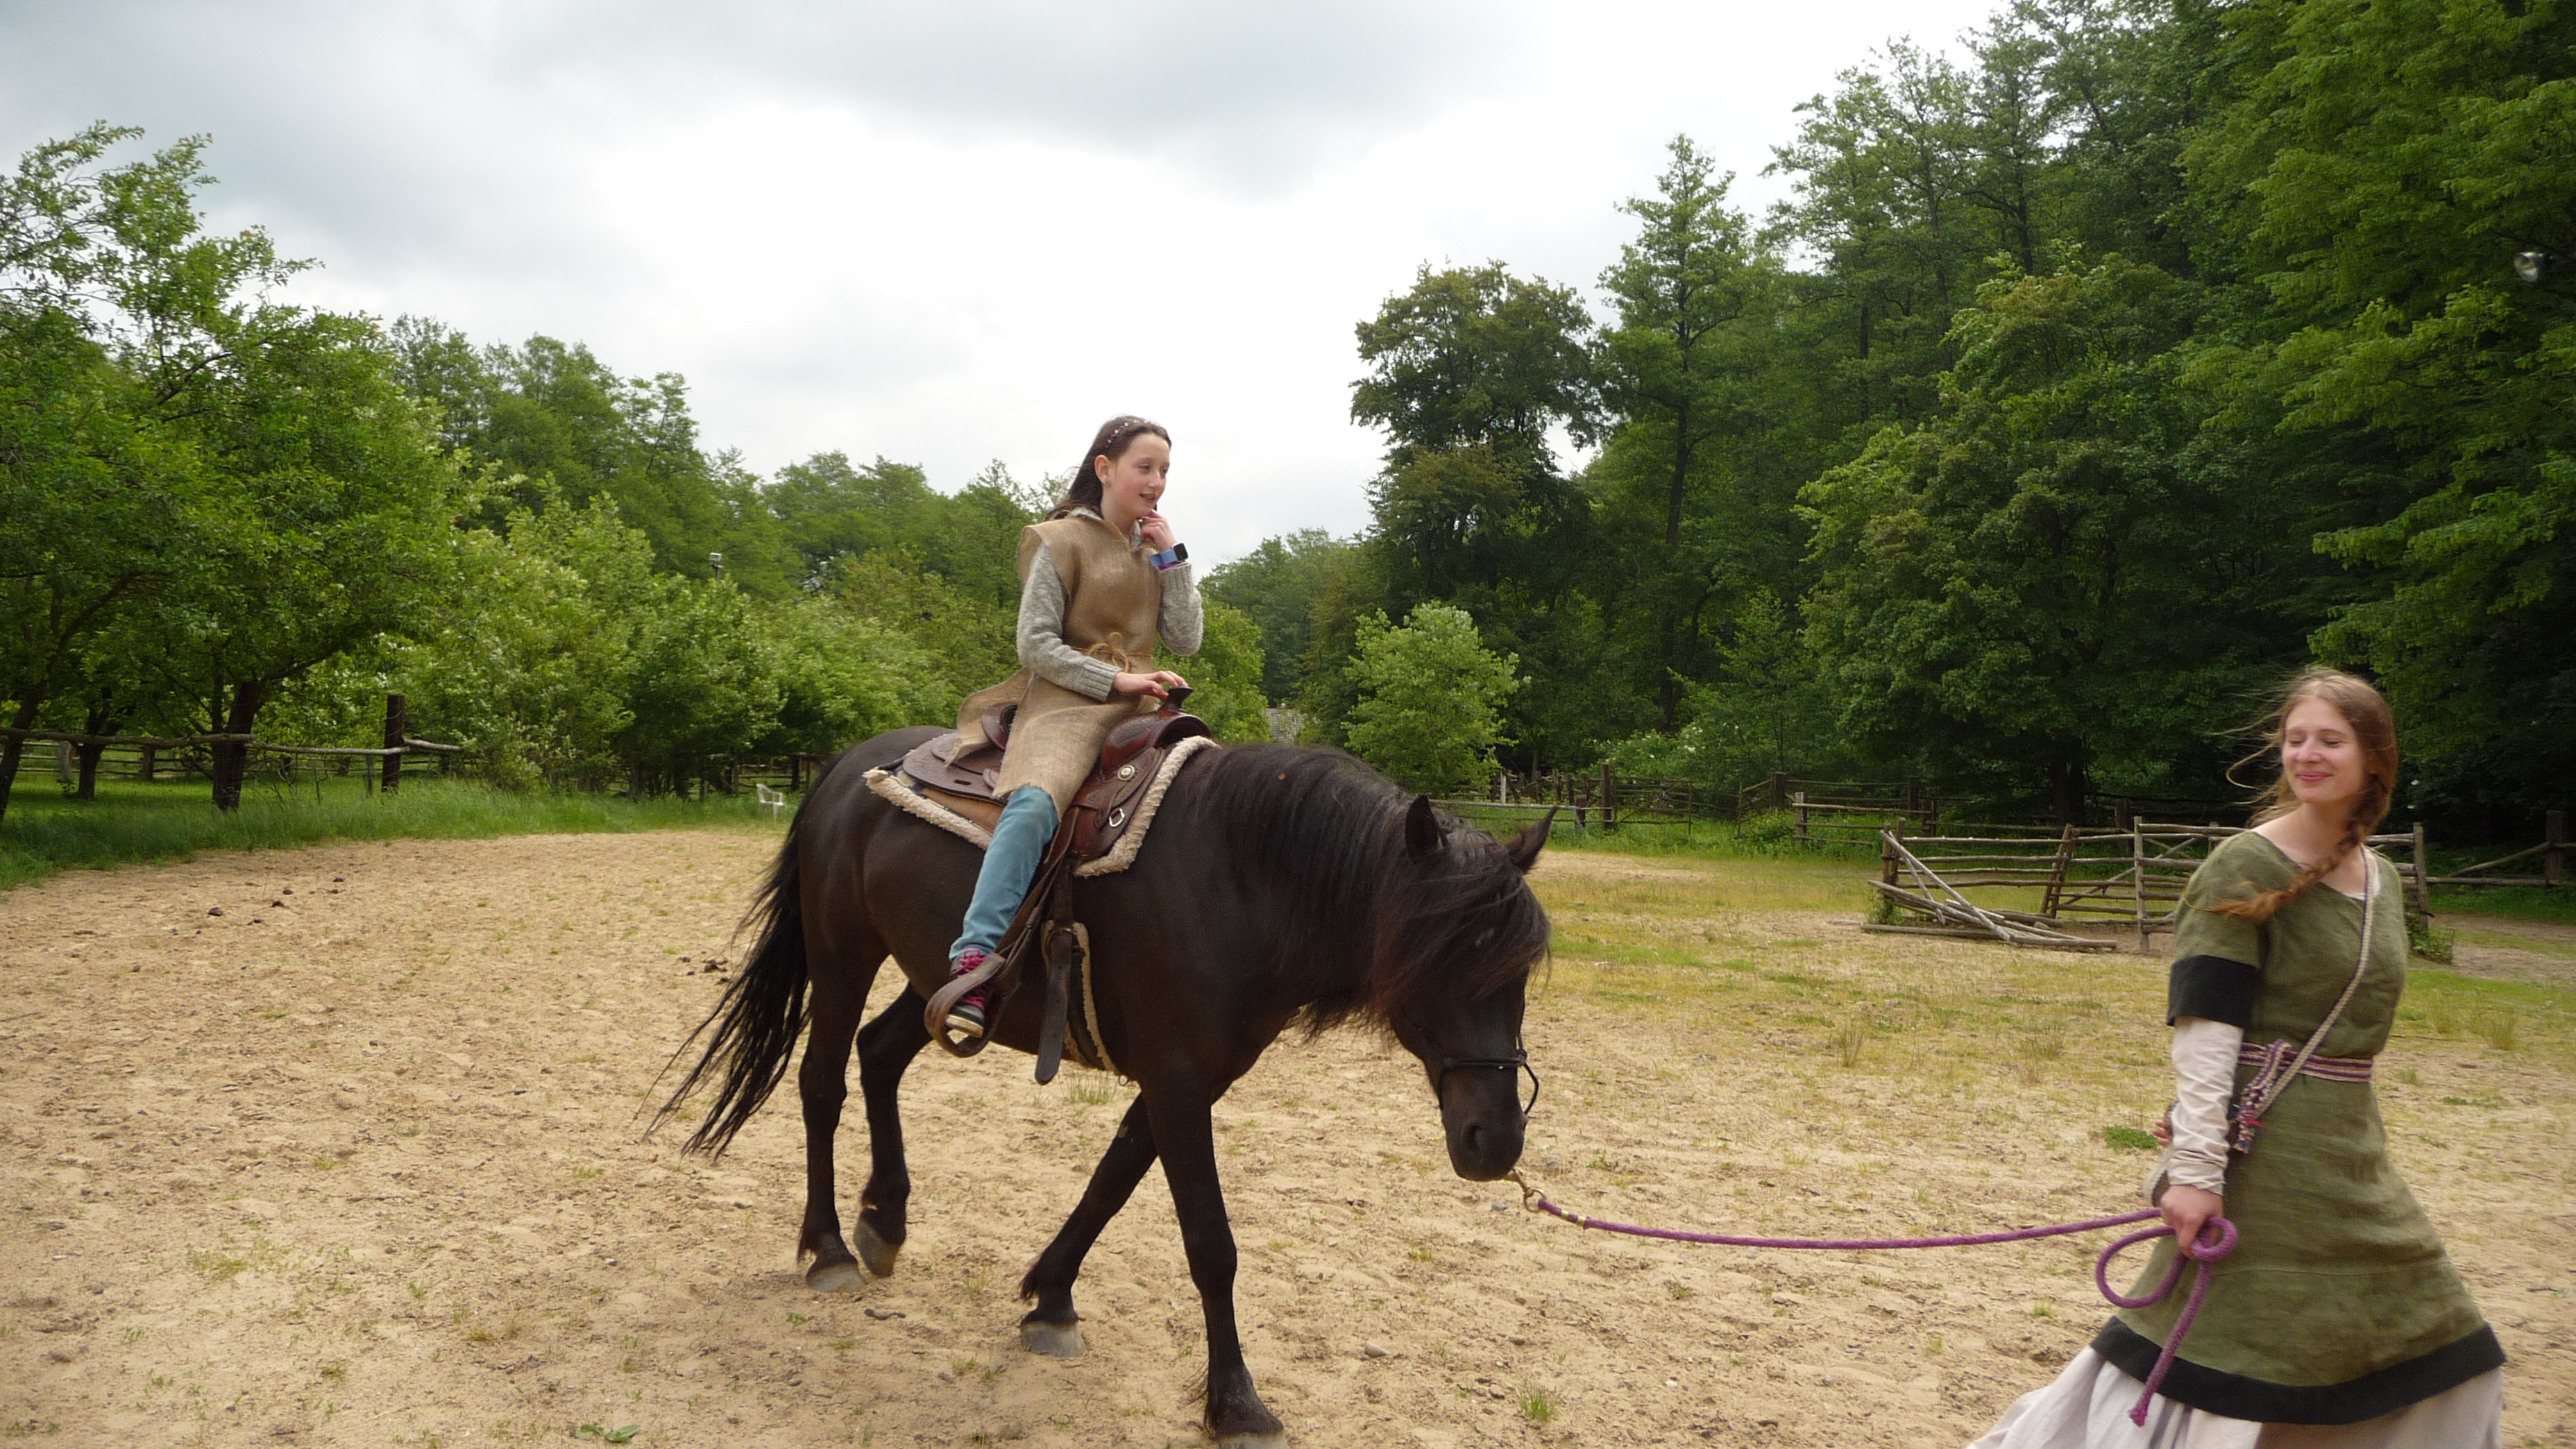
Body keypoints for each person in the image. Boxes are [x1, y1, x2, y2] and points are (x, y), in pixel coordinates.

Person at [1972, 668, 2504, 1448]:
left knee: (2437, 1346)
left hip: (2351, 1156)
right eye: (2296, 739)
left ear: (2374, 759)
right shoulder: (2239, 865)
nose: (2308, 755)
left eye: (2330, 740)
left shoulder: (2382, 879)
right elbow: (2206, 1031)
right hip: (2261, 1159)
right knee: (2229, 1352)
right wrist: (2195, 1170)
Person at [940, 415, 1199, 1040]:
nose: (1157, 482)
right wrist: (1114, 680)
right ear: (1105, 469)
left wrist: (1173, 559)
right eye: (1145, 467)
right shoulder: (1057, 541)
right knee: (1033, 805)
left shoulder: (1155, 550)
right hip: (1065, 703)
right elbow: (1035, 645)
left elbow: (1186, 640)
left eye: (1165, 470)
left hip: (1145, 706)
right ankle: (974, 958)